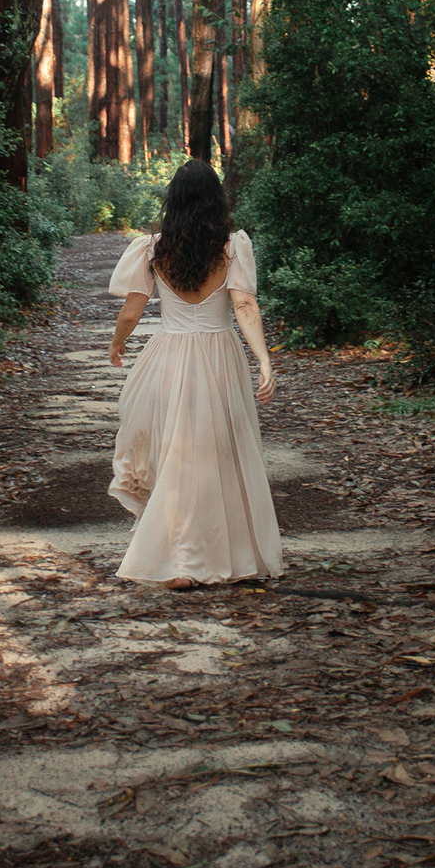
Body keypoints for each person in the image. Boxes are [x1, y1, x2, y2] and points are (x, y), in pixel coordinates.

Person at [106, 160, 283, 589]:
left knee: (176, 451)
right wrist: (263, 359)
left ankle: (182, 563)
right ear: (215, 200)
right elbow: (244, 306)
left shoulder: (152, 248)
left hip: (169, 356)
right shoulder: (232, 245)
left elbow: (132, 309)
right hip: (221, 356)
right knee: (222, 452)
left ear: (174, 201)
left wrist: (118, 343)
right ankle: (229, 556)